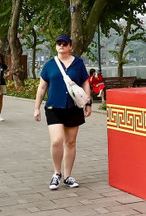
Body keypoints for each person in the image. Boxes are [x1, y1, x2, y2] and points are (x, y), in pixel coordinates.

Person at [34, 34, 92, 190]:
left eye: (65, 43)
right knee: (56, 141)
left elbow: (85, 83)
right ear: (55, 46)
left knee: (70, 142)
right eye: (59, 43)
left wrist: (88, 103)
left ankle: (68, 176)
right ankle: (56, 173)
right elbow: (42, 87)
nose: (61, 45)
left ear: (70, 46)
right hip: (54, 107)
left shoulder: (78, 63)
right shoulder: (50, 65)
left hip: (73, 107)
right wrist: (36, 108)